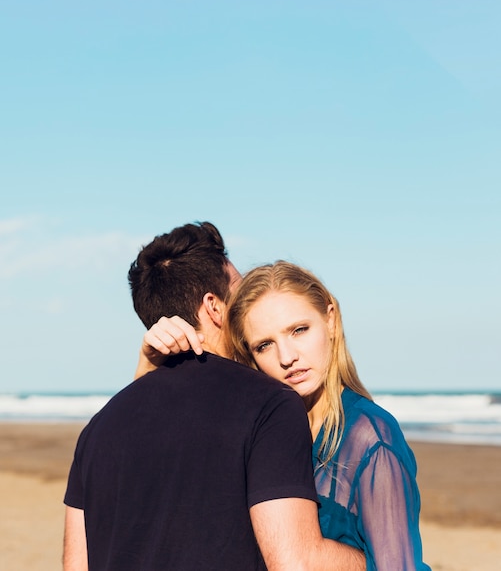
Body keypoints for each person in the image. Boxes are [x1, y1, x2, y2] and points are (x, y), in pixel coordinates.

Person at [63, 222, 365, 571]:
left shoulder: (97, 430)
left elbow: (76, 566)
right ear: (214, 307)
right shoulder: (270, 405)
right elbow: (296, 563)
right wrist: (382, 554)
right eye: (240, 292)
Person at [139, 259, 431, 570]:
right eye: (264, 345)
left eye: (299, 330)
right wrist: (148, 362)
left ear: (330, 320)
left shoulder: (371, 437)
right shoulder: (265, 437)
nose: (287, 357)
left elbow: (400, 566)